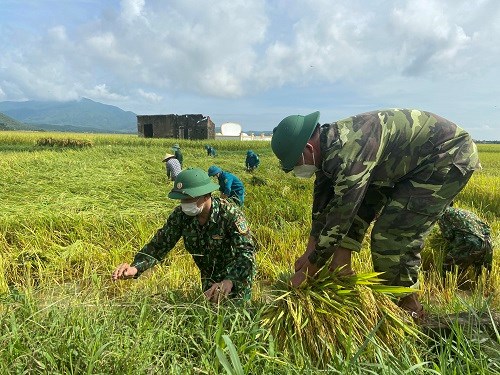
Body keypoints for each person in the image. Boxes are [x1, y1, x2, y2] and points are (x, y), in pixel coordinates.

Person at [271, 109, 481, 320]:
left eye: (297, 164)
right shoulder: (327, 152)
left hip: (446, 155)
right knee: (360, 212)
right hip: (403, 165)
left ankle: (409, 307)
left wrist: (310, 270)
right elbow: (322, 206)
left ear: (308, 148)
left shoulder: (349, 153)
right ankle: (342, 270)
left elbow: (342, 215)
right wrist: (310, 250)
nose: (298, 170)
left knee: (391, 235)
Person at [112, 168, 256, 301]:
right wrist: (135, 267)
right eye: (181, 199)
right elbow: (159, 245)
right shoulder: (181, 216)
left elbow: (246, 253)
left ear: (206, 195)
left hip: (237, 276)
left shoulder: (230, 214)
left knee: (236, 320)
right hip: (209, 277)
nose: (184, 204)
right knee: (210, 319)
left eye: (188, 199)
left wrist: (229, 280)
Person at [437, 204, 493, 277]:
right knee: (483, 278)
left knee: (448, 272)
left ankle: (443, 286)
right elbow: (486, 228)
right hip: (487, 244)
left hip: (469, 244)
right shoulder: (465, 212)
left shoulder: (443, 214)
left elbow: (448, 235)